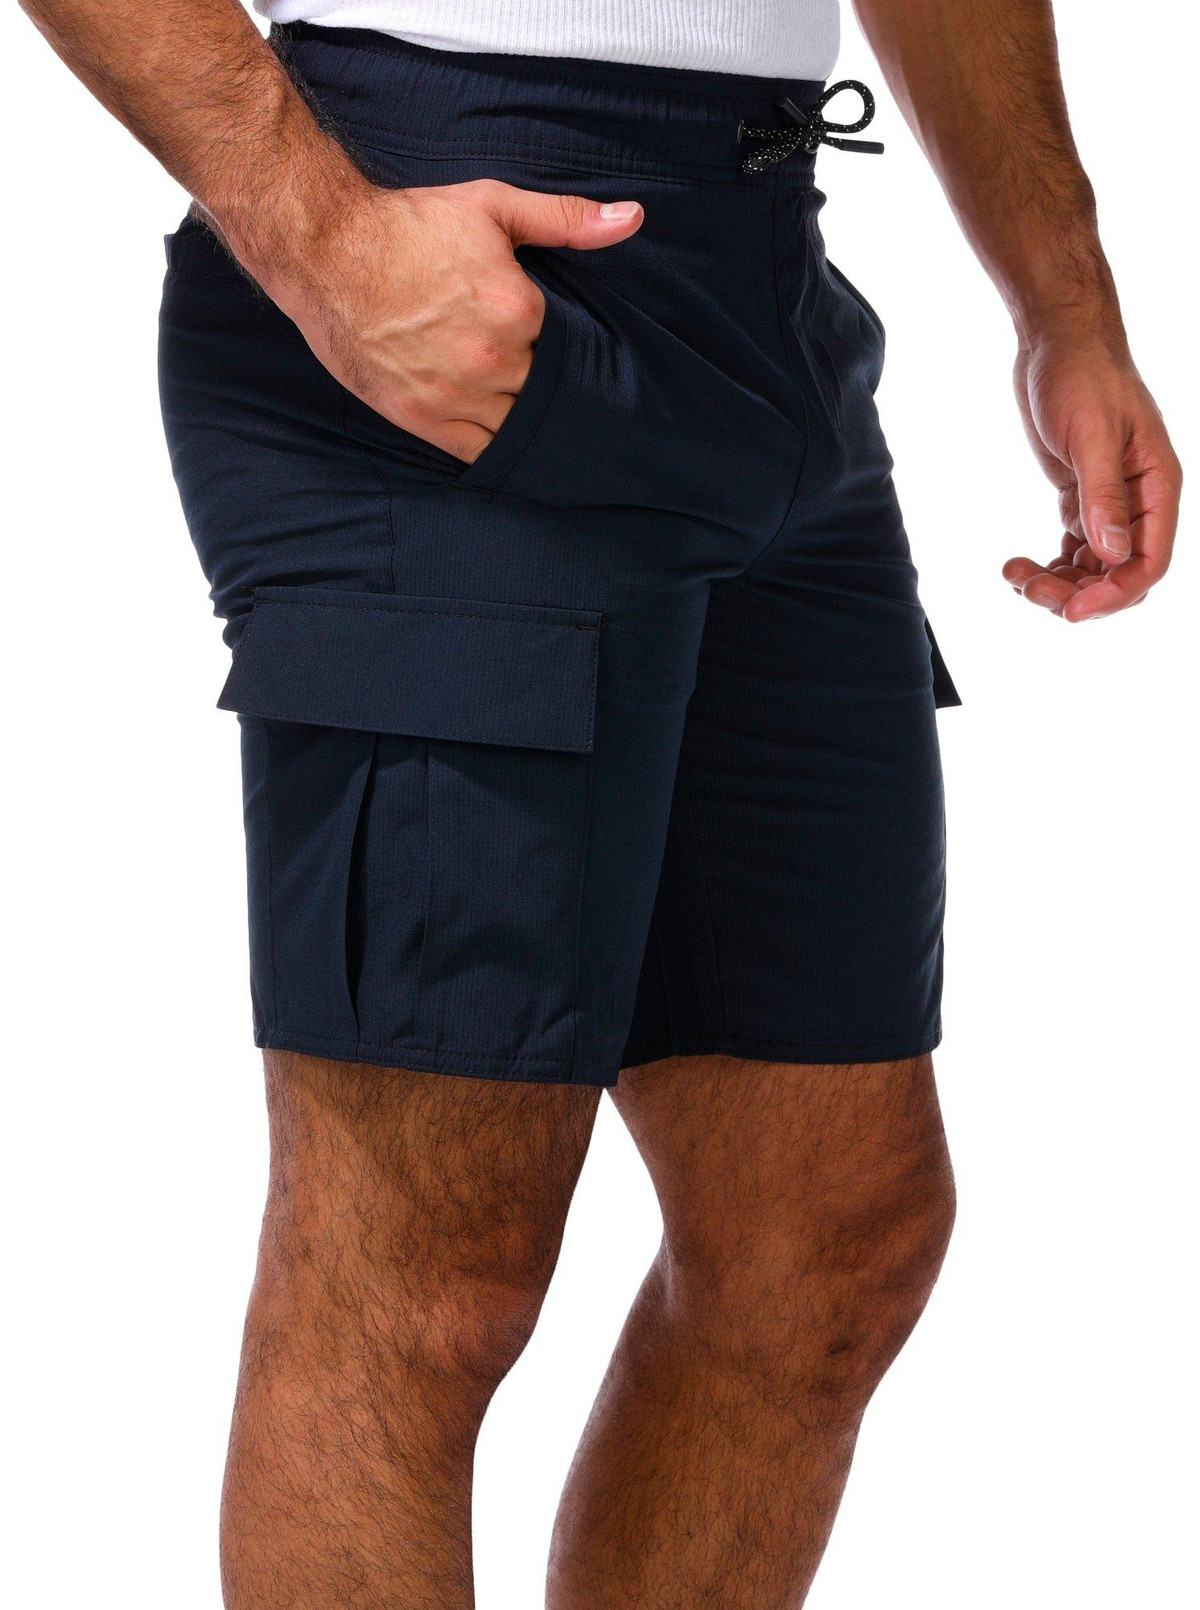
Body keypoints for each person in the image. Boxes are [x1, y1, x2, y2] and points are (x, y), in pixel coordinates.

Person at [18, 0, 1181, 1604]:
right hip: (438, 235)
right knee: (428, 1275)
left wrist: (1064, 297)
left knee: (828, 1234)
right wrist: (321, 232)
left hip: (763, 278)